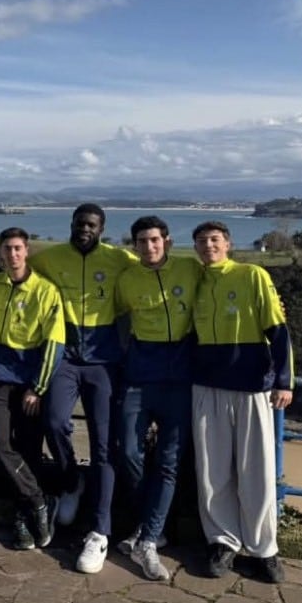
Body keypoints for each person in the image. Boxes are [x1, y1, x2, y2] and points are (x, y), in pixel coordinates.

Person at [29, 203, 137, 573]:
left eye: (91, 225)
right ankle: (72, 481)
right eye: (79, 224)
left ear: (102, 228)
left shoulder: (120, 259)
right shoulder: (51, 258)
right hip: (66, 359)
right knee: (55, 421)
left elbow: (155, 277)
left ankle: (100, 531)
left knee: (106, 445)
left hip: (105, 362)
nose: (84, 229)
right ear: (71, 225)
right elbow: (17, 277)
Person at [191, 220, 292, 583]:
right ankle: (222, 542)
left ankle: (265, 548)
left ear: (228, 244)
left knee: (258, 472)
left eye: (214, 240)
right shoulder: (195, 281)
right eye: (201, 241)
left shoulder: (253, 275)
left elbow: (278, 330)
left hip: (252, 386)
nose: (208, 246)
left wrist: (284, 381)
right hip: (206, 386)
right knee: (212, 471)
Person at [114, 216, 201, 579]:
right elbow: (116, 319)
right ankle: (151, 524)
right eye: (141, 241)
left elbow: (226, 283)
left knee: (169, 461)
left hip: (180, 378)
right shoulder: (127, 279)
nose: (148, 247)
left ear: (166, 240)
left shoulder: (191, 269)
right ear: (133, 245)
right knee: (129, 453)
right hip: (139, 375)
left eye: (154, 240)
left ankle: (149, 538)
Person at [0, 227, 62, 551]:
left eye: (17, 248)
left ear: (27, 250)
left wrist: (38, 388)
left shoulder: (45, 291)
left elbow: (54, 342)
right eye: (7, 249)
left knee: (28, 450)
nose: (12, 254)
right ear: (0, 252)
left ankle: (22, 516)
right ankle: (40, 502)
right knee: (1, 443)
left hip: (29, 383)